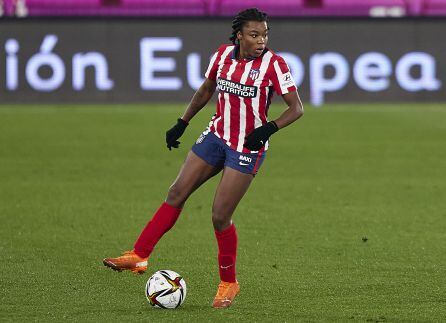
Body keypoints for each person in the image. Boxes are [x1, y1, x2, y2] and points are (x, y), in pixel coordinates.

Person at [103, 7, 304, 309]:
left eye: (264, 34)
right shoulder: (222, 55)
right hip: (216, 136)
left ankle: (228, 283)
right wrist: (182, 122)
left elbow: (296, 108)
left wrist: (267, 129)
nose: (261, 40)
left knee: (220, 215)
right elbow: (207, 88)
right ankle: (139, 256)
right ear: (239, 36)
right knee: (176, 192)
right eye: (254, 34)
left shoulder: (274, 65)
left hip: (246, 147)